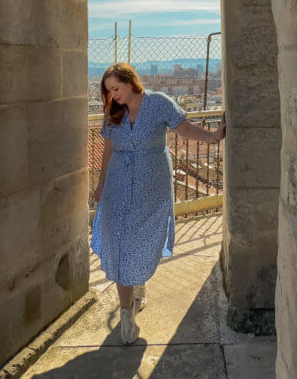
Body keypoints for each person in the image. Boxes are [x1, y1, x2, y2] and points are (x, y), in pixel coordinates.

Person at [91, 63, 227, 344]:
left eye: (116, 88)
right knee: (118, 239)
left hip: (151, 184)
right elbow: (108, 150)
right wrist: (101, 185)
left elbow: (185, 129)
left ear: (131, 82)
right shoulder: (112, 111)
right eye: (109, 91)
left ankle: (137, 285)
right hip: (118, 183)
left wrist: (214, 137)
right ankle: (127, 314)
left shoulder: (159, 103)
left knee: (140, 239)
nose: (113, 95)